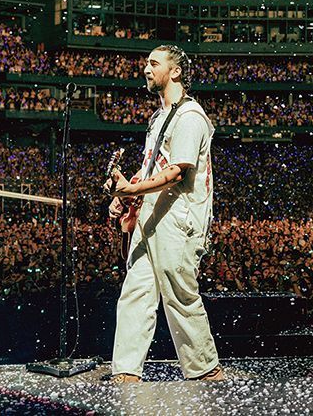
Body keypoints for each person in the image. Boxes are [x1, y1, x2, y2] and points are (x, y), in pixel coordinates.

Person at [103, 44, 223, 383]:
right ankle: (125, 371)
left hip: (178, 218)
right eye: (145, 63)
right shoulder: (158, 119)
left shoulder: (190, 117)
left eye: (153, 63)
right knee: (136, 291)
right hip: (150, 216)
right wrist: (125, 196)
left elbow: (176, 172)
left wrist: (131, 191)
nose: (145, 68)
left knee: (179, 293)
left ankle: (205, 370)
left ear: (175, 71)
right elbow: (151, 169)